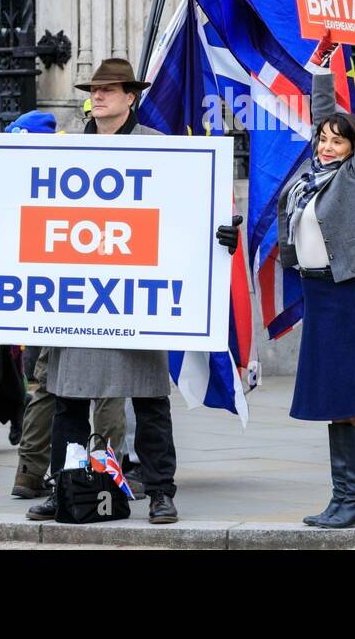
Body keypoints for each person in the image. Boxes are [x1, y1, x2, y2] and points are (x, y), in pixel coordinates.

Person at [27, 58, 241, 525]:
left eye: (109, 89)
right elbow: (29, 212)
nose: (98, 95)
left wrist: (221, 234)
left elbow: (187, 214)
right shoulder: (61, 151)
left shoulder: (158, 148)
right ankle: (65, 488)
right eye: (94, 89)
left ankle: (161, 490)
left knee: (149, 401)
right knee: (68, 403)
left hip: (133, 300)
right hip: (78, 300)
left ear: (130, 97)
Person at [280, 35, 355, 529]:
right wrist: (320, 64)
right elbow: (322, 110)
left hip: (344, 295)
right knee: (334, 399)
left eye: (336, 140)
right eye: (323, 139)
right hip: (317, 295)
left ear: (350, 150)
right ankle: (342, 497)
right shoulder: (313, 171)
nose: (327, 145)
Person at [0, 109, 132, 508]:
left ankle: (30, 472)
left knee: (45, 385)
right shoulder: (73, 165)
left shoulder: (26, 177)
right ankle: (106, 475)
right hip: (92, 294)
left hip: (50, 296)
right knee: (107, 387)